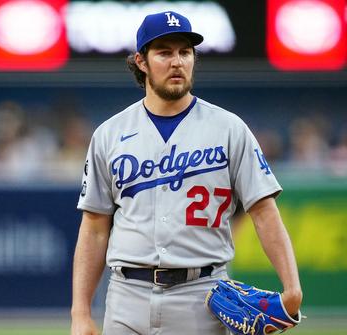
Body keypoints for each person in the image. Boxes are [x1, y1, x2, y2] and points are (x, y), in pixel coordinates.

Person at [70, 11, 302, 335]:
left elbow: (264, 212)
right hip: (126, 296)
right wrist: (80, 312)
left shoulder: (229, 129)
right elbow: (94, 227)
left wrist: (292, 288)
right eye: (164, 52)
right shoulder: (109, 134)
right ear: (141, 61)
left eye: (185, 51)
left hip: (201, 297)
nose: (177, 61)